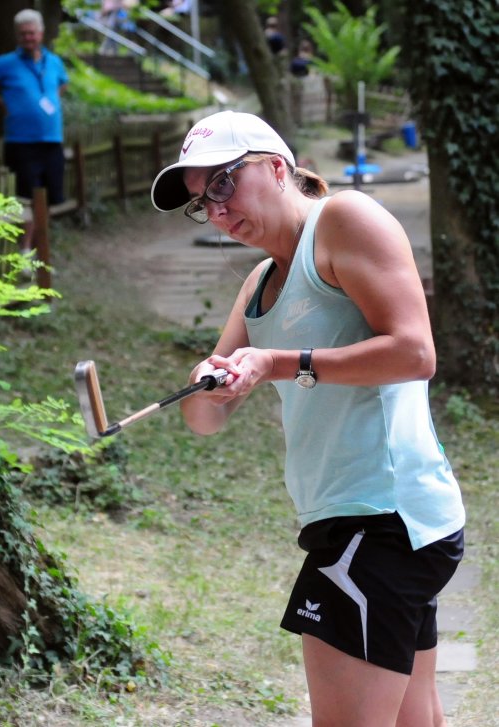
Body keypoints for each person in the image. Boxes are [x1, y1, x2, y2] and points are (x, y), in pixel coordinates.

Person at [150, 110, 465, 727]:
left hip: (381, 520)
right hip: (364, 520)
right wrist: (208, 388)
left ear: (276, 168)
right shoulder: (260, 281)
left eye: (222, 183)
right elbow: (207, 421)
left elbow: (416, 353)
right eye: (200, 200)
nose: (215, 210)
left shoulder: (346, 220)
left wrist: (278, 362)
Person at [0, 9, 69, 253]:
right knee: (25, 196)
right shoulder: (6, 63)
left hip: (51, 139)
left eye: (32, 33)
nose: (28, 38)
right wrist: (0, 102)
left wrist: (51, 100)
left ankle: (40, 247)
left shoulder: (54, 61)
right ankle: (25, 250)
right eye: (23, 34)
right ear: (17, 36)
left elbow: (63, 82)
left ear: (41, 33)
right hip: (20, 142)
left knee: (50, 198)